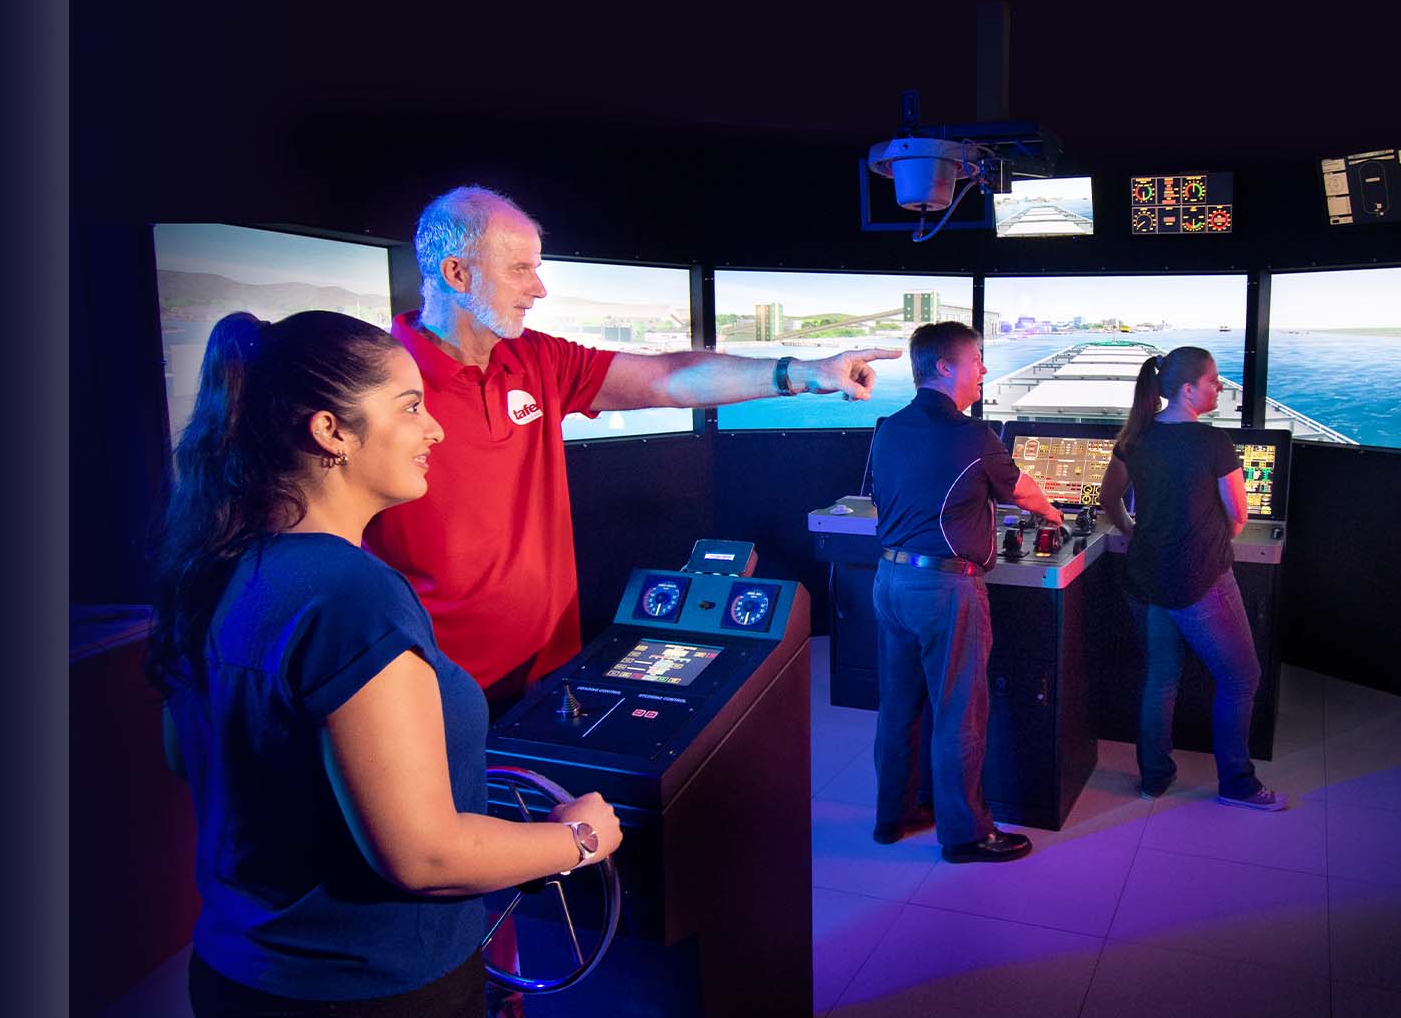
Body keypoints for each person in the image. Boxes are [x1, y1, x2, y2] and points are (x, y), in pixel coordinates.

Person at [147, 310, 625, 1017]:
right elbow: (424, 857)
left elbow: (192, 759)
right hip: (371, 990)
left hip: (239, 972)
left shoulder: (219, 568)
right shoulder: (353, 595)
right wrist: (578, 839)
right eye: (410, 408)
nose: (435, 429)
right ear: (330, 432)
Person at [365, 185, 901, 714]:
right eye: (520, 269)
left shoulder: (536, 360)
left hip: (548, 674)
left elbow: (668, 379)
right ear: (456, 274)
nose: (539, 289)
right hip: (431, 690)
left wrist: (804, 373)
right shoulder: (371, 386)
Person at [866, 321, 1063, 862]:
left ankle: (893, 816)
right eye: (977, 359)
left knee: (899, 707)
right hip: (944, 589)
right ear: (947, 366)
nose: (983, 369)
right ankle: (967, 834)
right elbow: (1024, 492)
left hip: (890, 581)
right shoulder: (973, 436)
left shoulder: (888, 427)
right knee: (959, 711)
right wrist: (1055, 513)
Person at [1098, 346, 1287, 811]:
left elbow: (1109, 498)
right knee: (1242, 677)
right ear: (1187, 389)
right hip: (1201, 580)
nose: (1218, 387)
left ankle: (1154, 779)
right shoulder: (1212, 443)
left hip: (1145, 575)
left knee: (1161, 678)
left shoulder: (1136, 438)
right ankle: (1238, 783)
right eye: (1213, 380)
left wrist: (1131, 529)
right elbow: (1238, 513)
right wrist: (1215, 540)